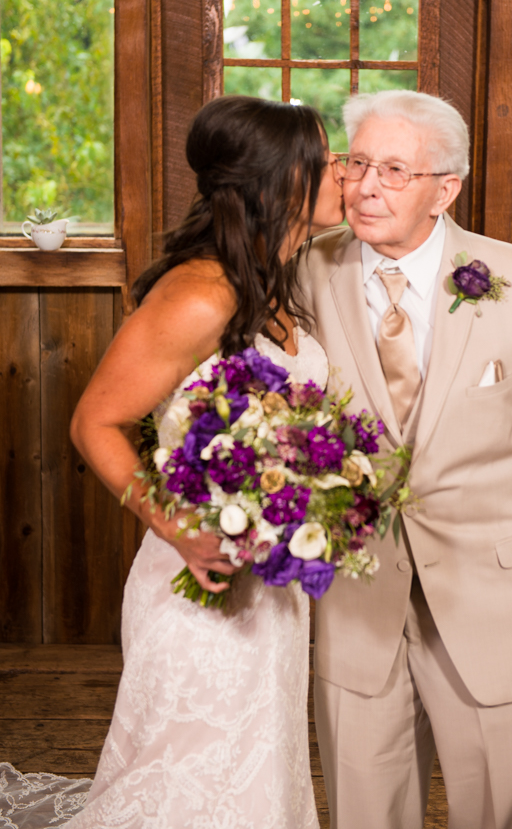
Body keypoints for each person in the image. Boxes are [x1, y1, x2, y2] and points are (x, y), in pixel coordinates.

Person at [298, 89, 512, 829]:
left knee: (497, 811)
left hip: (496, 606)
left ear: (446, 189)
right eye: (357, 163)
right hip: (353, 603)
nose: (365, 186)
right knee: (363, 812)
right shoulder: (302, 273)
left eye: (394, 170)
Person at [68, 95, 344, 828]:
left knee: (256, 763)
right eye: (326, 158)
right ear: (282, 179)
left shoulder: (271, 276)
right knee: (192, 775)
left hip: (273, 581)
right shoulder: (198, 294)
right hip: (199, 573)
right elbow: (94, 421)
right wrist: (177, 528)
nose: (341, 169)